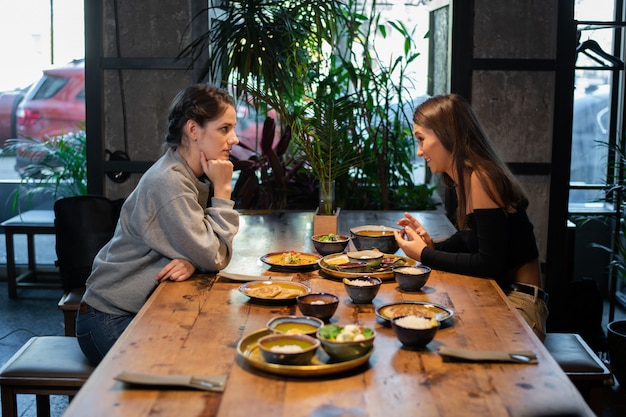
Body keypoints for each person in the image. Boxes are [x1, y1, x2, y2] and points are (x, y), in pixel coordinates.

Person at [76, 84, 241, 364]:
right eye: (224, 129)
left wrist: (191, 258)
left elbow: (201, 246)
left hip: (134, 309)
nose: (234, 139)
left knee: (213, 348)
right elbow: (215, 255)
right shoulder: (170, 182)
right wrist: (223, 192)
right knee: (183, 368)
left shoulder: (184, 173)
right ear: (193, 130)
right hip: (108, 319)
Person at [394, 93, 549, 341]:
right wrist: (432, 245)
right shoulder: (465, 178)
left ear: (448, 136)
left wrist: (424, 254)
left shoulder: (482, 177)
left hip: (521, 303)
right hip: (502, 292)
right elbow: (471, 239)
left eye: (422, 140)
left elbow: (488, 263)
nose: (420, 151)